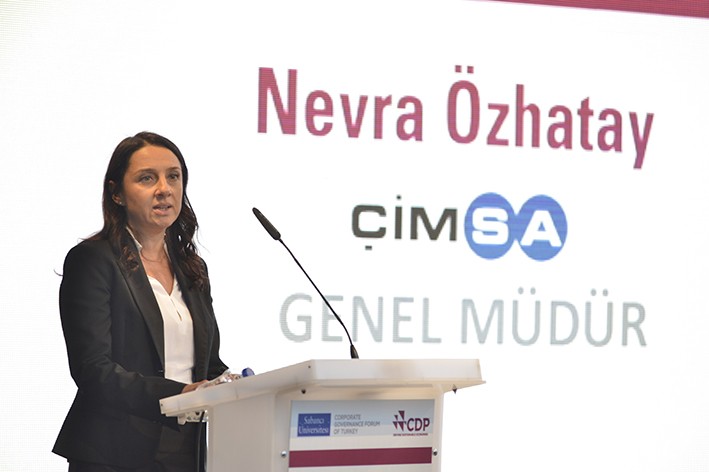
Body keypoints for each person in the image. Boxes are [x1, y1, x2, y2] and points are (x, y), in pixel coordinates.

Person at [53, 132, 229, 472]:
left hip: (186, 449)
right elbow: (93, 369)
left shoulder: (192, 267)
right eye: (147, 178)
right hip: (112, 451)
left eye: (173, 176)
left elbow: (208, 365)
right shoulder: (93, 260)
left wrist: (238, 386)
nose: (164, 189)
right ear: (116, 193)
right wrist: (180, 394)